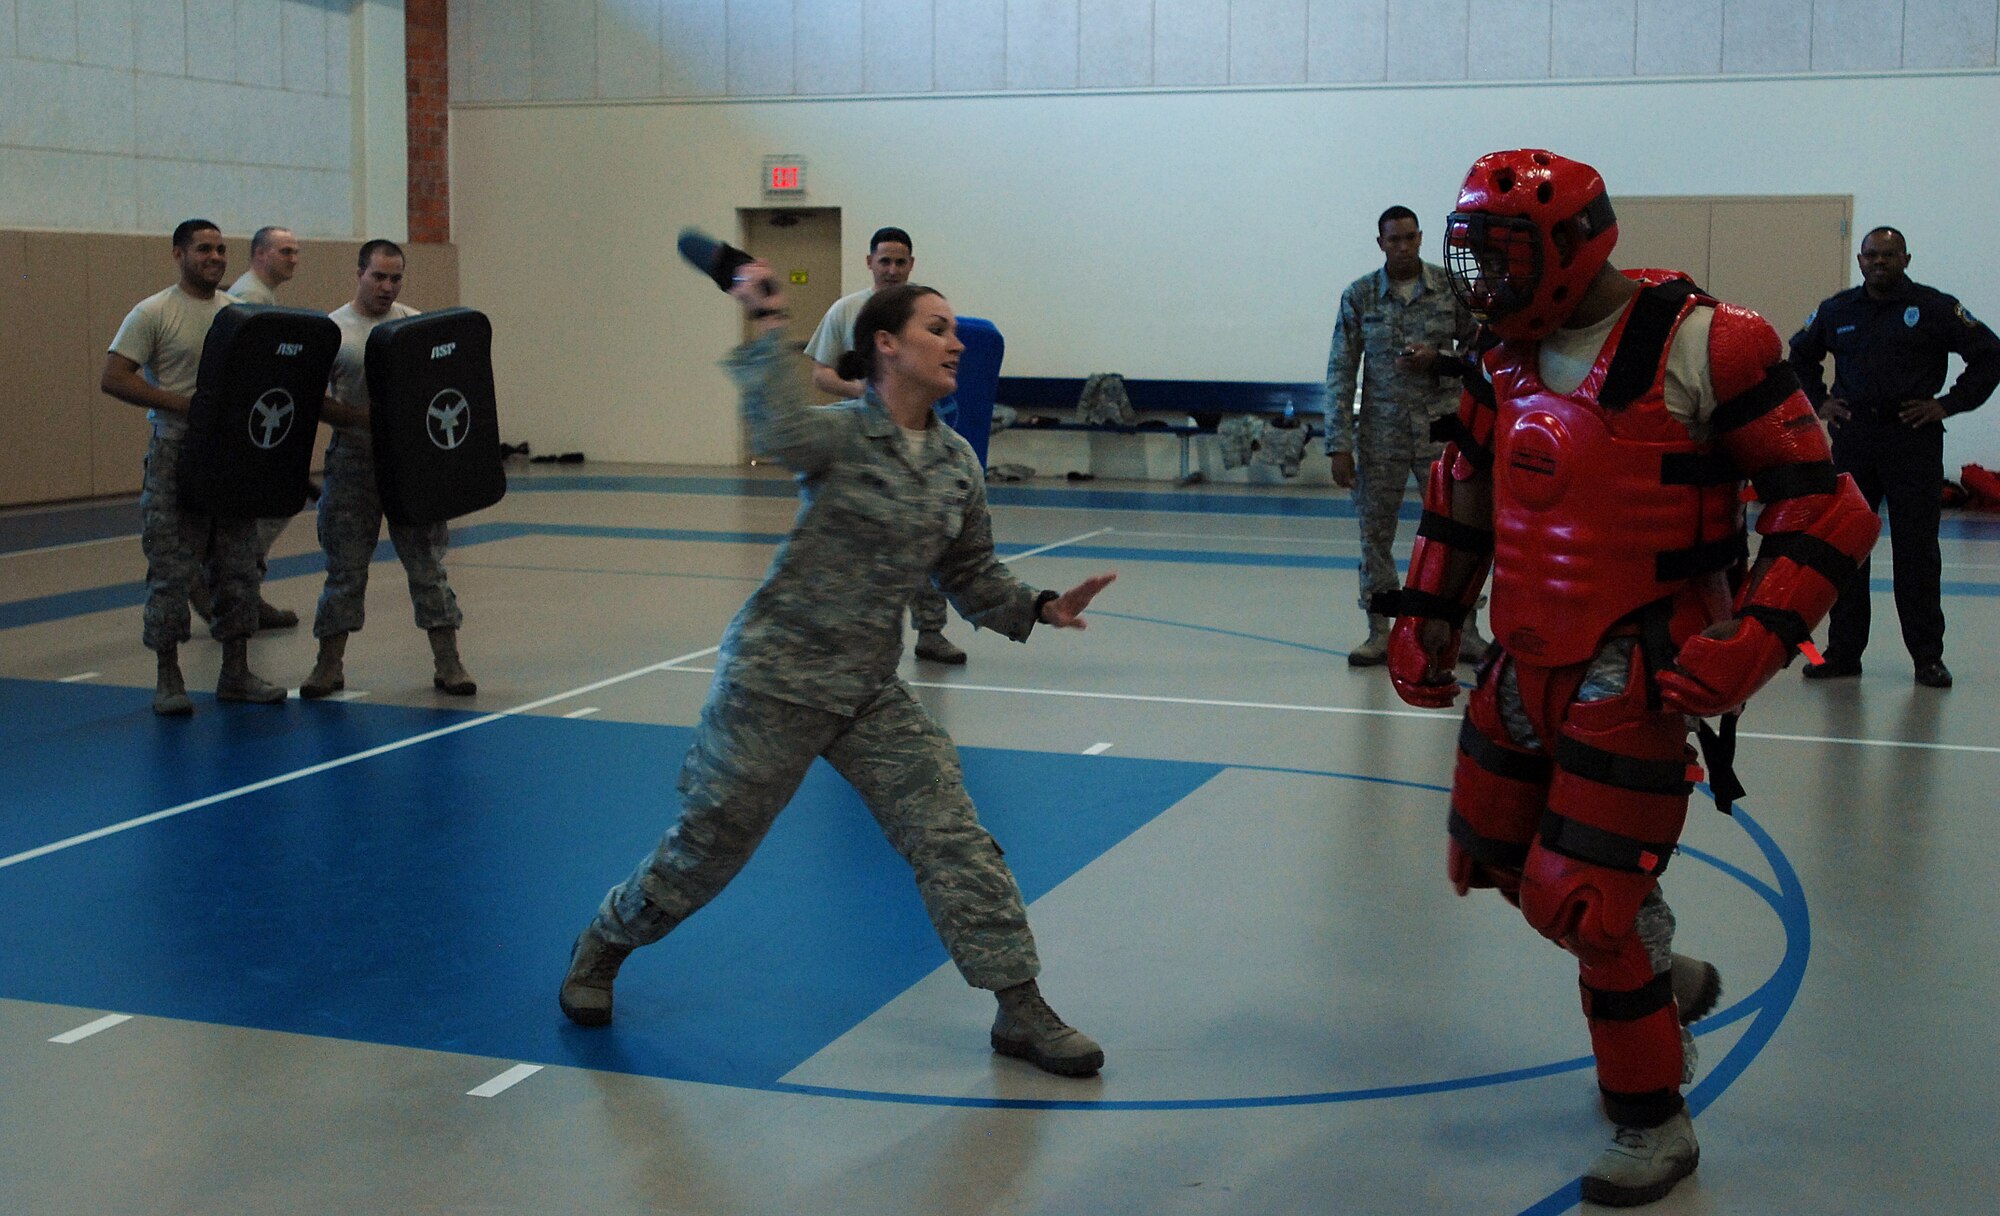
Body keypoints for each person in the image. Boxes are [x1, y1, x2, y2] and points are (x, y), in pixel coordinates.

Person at [1383, 150, 1877, 1207]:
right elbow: (1463, 483)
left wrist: (1751, 642)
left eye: (1502, 258)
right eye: (1474, 260)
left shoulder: (1709, 343)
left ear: (1571, 242)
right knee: (1492, 857)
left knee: (1589, 902)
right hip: (1520, 648)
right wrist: (1425, 614)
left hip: (1639, 662)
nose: (1486, 285)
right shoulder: (1499, 353)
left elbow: (1822, 507)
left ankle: (1651, 1121)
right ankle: (1660, 975)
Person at [560, 264, 1117, 1079]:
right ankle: (605, 942)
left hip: (864, 689)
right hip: (775, 679)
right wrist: (764, 326)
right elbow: (779, 432)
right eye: (937, 328)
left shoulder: (958, 461)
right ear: (885, 346)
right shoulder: (842, 434)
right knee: (707, 847)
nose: (956, 342)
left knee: (953, 838)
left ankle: (1020, 1008)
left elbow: (970, 574)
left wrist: (1037, 607)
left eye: (954, 328)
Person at [1787, 226, 2000, 689]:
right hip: (1855, 436)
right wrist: (1820, 402)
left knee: (1917, 552)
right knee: (1847, 547)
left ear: (1906, 258)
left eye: (1889, 255)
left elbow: (1990, 354)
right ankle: (1842, 652)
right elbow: (1798, 356)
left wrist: (1948, 403)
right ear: (1860, 261)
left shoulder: (1934, 307)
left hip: (1912, 439)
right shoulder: (1837, 310)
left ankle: (1927, 657)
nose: (1879, 263)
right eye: (1871, 256)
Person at [100, 218, 289, 714]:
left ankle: (236, 672)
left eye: (222, 249)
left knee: (238, 566)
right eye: (205, 248)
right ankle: (169, 678)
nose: (216, 257)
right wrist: (185, 404)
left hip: (232, 458)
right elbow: (115, 377)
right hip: (177, 454)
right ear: (179, 254)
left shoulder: (239, 314)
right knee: (171, 567)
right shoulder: (153, 312)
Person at [299, 240, 475, 699]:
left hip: (410, 464)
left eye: (395, 278)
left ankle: (449, 662)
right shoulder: (334, 331)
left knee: (428, 567)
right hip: (354, 462)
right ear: (359, 273)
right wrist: (367, 420)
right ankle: (328, 665)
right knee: (345, 569)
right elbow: (312, 400)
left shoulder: (414, 326)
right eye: (378, 276)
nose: (387, 286)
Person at [1323, 205, 1483, 667]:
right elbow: (1340, 370)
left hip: (1443, 434)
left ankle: (1463, 628)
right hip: (1381, 437)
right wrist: (1339, 443)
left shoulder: (1450, 291)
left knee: (1459, 536)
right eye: (1393, 240)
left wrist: (1440, 358)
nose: (1403, 246)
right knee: (1376, 537)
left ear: (1420, 238)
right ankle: (1380, 631)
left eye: (1410, 238)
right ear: (1381, 244)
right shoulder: (1360, 297)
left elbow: (1483, 351)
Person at [805, 226, 968, 666]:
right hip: (866, 441)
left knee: (928, 535)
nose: (892, 269)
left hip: (916, 438)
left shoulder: (923, 314)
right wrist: (869, 392)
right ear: (870, 262)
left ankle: (931, 631)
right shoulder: (846, 311)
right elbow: (821, 374)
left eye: (900, 262)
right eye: (884, 261)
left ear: (911, 264)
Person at [202, 223, 305, 631]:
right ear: (260, 254)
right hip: (247, 429)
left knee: (268, 510)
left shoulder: (262, 295)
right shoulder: (247, 298)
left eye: (296, 252)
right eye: (285, 251)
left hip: (261, 424)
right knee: (256, 515)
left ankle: (246, 594)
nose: (293, 259)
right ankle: (227, 593)